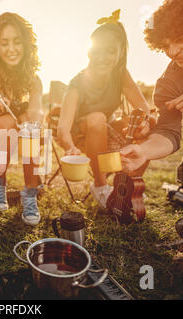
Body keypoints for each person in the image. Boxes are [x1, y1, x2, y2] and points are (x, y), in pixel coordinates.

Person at [121, 0, 183, 202]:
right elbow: (168, 130)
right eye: (166, 45)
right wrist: (144, 151)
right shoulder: (170, 82)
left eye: (180, 39)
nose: (173, 51)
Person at [57, 10, 151, 208]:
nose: (102, 57)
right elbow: (63, 129)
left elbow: (142, 107)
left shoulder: (121, 75)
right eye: (97, 50)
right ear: (89, 51)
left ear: (120, 53)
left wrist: (143, 121)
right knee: (98, 118)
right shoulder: (77, 83)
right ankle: (100, 186)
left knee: (150, 122)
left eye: (110, 51)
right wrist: (69, 147)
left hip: (105, 130)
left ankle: (127, 184)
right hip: (82, 135)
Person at [0, 12, 44, 226]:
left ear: (26, 44)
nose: (11, 49)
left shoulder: (33, 77)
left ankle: (30, 193)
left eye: (16, 42)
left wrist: (29, 118)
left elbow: (36, 111)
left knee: (30, 129)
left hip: (10, 129)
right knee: (9, 123)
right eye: (4, 43)